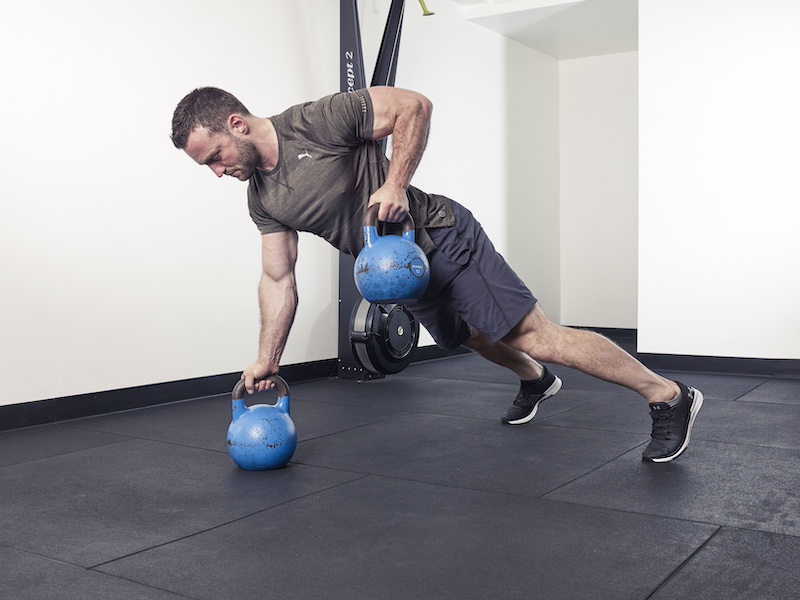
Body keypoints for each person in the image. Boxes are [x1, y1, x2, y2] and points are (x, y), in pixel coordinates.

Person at [171, 86, 703, 463]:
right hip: (399, 275)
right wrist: (267, 358)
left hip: (442, 237)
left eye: (216, 156)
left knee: (533, 335)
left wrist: (397, 183)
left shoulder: (316, 120)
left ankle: (668, 394)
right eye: (209, 168)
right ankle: (535, 382)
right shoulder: (263, 199)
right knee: (467, 337)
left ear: (237, 125)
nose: (219, 172)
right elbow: (278, 279)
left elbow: (413, 106)